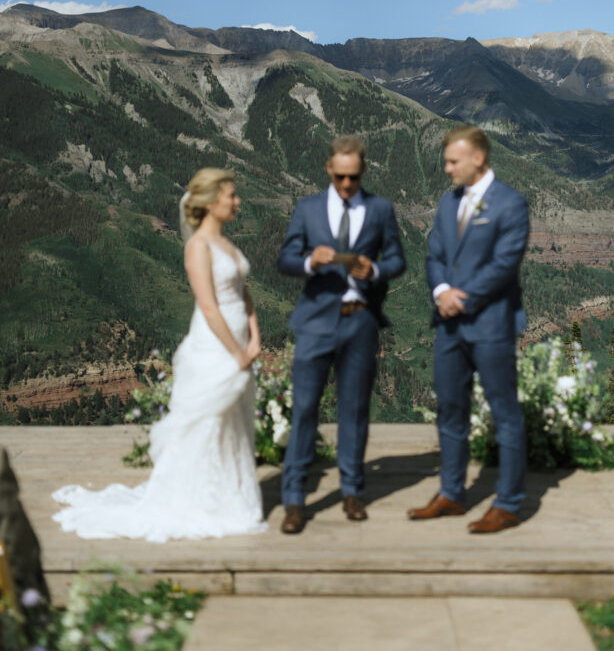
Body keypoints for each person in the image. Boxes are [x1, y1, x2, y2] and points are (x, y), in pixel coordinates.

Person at [52, 168, 267, 541]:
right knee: (204, 420)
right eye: (231, 195)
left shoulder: (227, 244)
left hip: (239, 342)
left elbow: (244, 293)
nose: (237, 201)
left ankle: (231, 497)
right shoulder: (197, 247)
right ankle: (198, 498)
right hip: (215, 344)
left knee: (234, 419)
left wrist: (255, 336)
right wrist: (237, 353)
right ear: (210, 202)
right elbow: (209, 306)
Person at [276, 136, 405, 534]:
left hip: (360, 319)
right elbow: (284, 259)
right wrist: (308, 261)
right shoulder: (308, 208)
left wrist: (378, 271)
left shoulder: (381, 209)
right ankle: (295, 500)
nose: (347, 185)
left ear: (362, 171)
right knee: (305, 410)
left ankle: (352, 491)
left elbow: (398, 258)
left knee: (355, 409)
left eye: (353, 177)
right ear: (328, 170)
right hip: (315, 320)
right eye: (340, 177)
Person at [408, 126, 529, 533]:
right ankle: (451, 494)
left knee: (505, 414)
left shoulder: (511, 203)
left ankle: (509, 503)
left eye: (453, 161)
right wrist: (441, 290)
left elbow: (504, 265)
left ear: (478, 158)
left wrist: (461, 296)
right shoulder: (447, 204)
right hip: (449, 326)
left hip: (491, 324)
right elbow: (435, 255)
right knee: (450, 410)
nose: (446, 169)